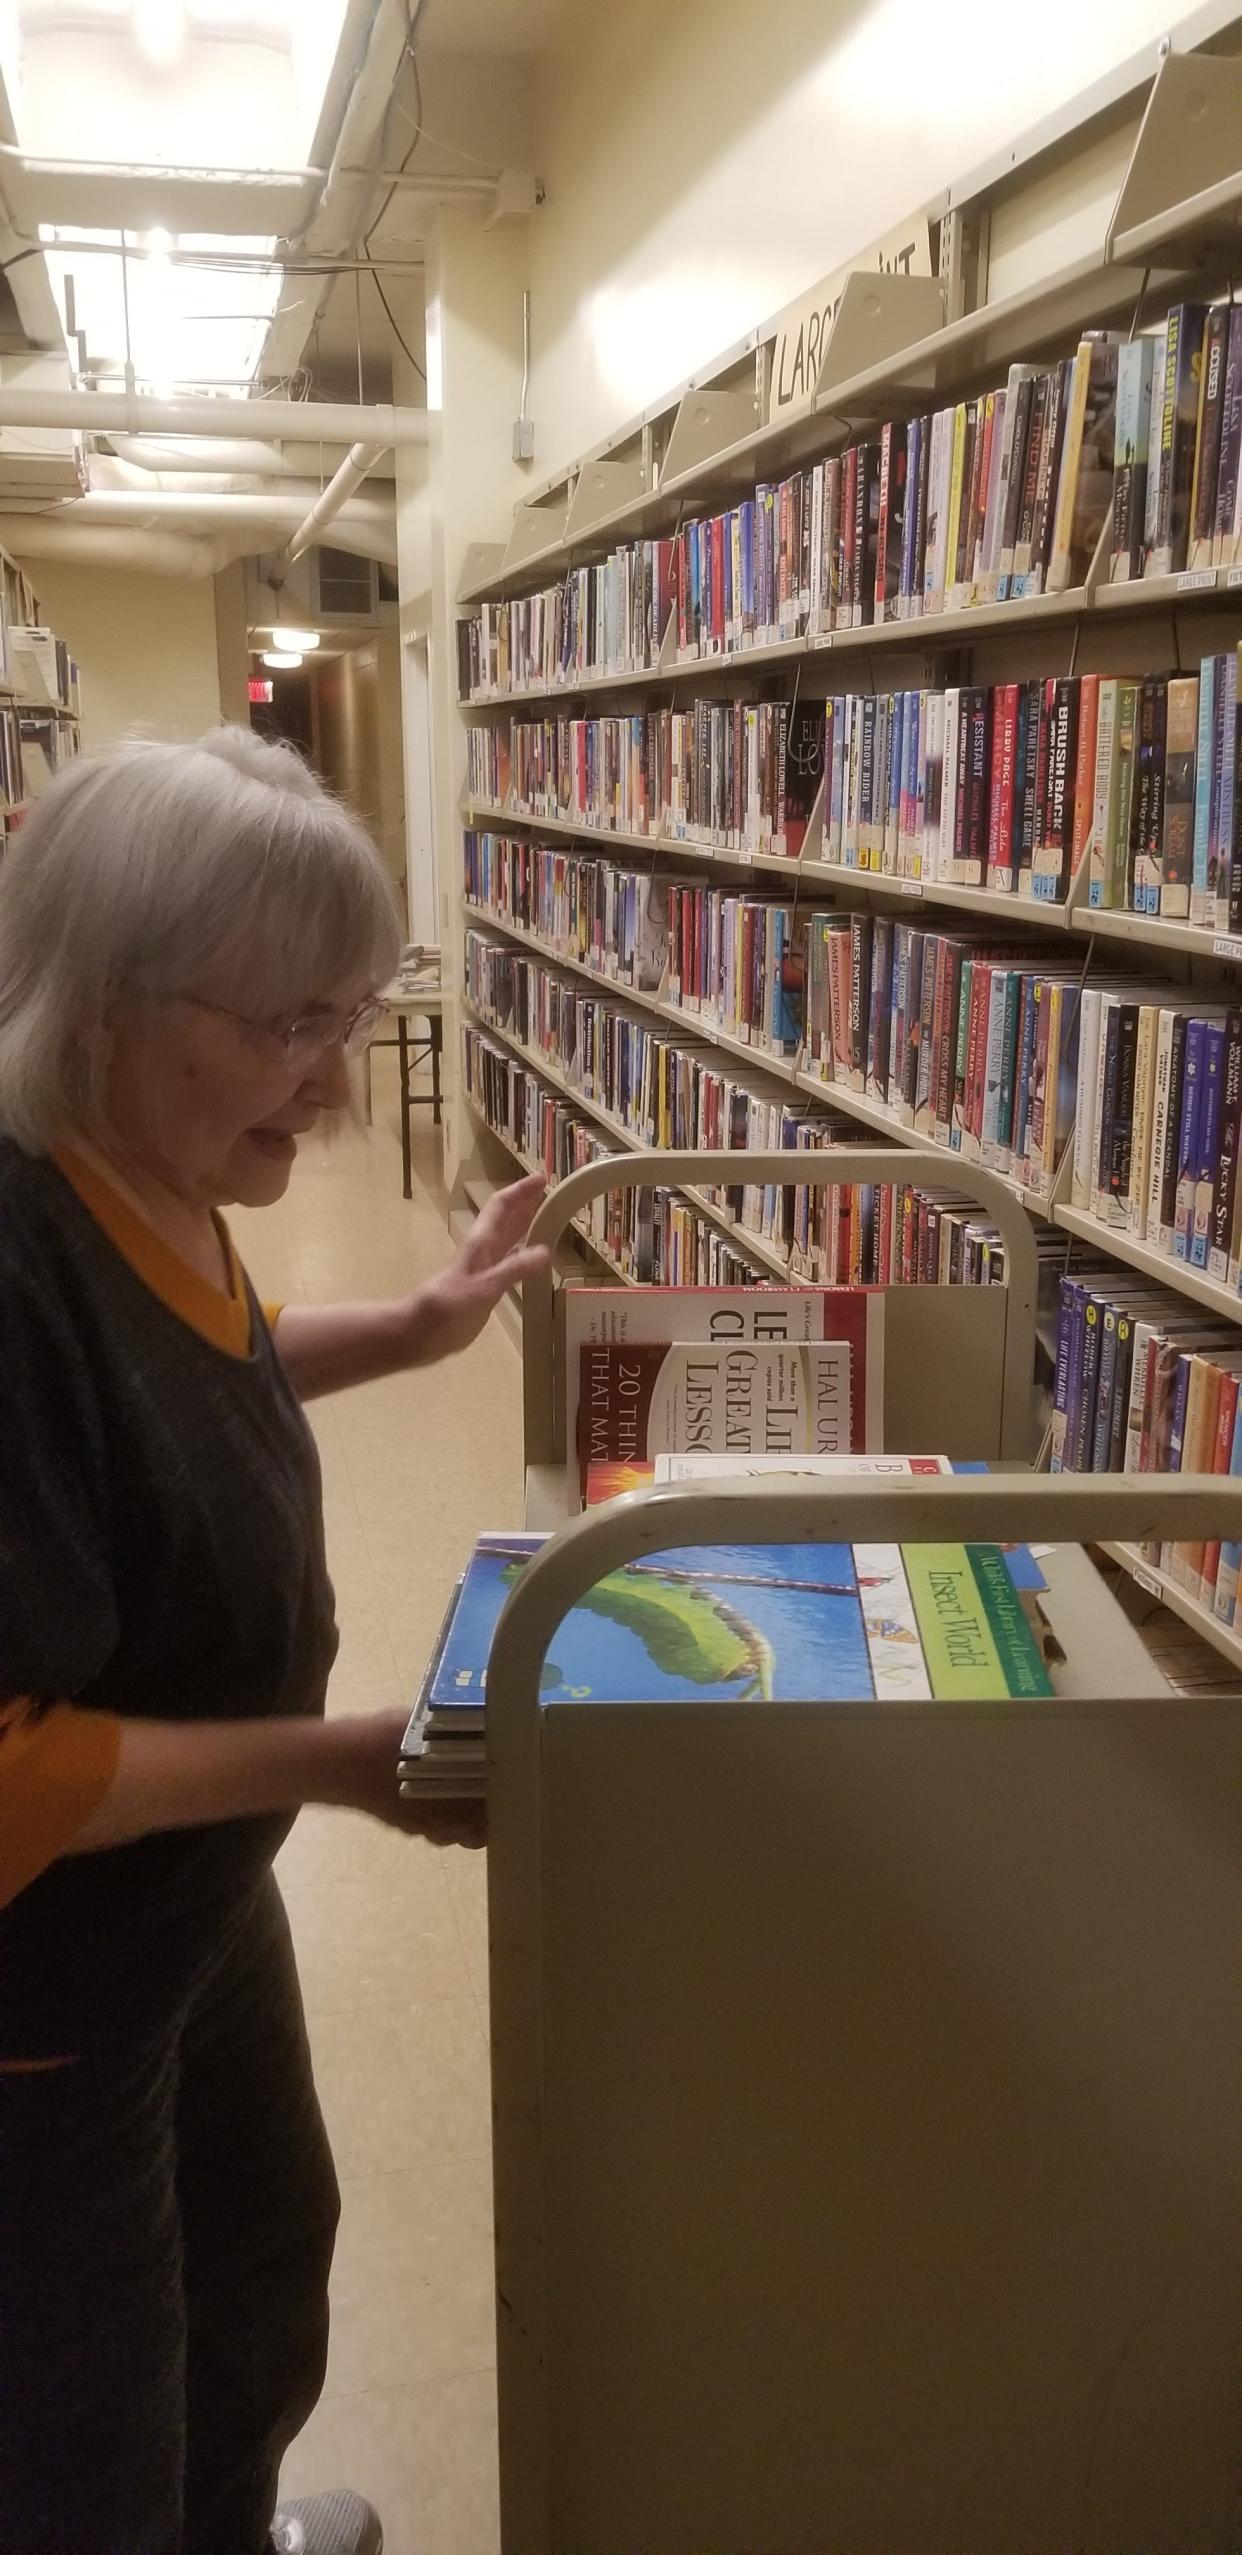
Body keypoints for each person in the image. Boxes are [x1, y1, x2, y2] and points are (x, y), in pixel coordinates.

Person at [0, 726, 548, 2555]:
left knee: (255, 2270)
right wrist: (343, 1765)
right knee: (87, 2413)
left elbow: (193, 1368)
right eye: (285, 1028)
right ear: (98, 1002)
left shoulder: (142, 1165)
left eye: (347, 1016)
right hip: (47, 1991)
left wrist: (403, 1328)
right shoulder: (11, 1258)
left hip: (192, 1899)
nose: (327, 1086)